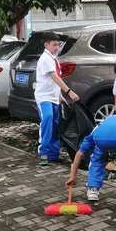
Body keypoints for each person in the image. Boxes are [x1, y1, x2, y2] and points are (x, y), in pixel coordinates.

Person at [34, 32, 79, 166]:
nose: (56, 48)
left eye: (58, 45)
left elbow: (53, 82)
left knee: (55, 125)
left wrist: (60, 96)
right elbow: (55, 77)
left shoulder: (53, 58)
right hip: (44, 97)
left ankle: (53, 155)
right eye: (54, 45)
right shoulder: (45, 59)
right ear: (46, 44)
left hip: (53, 97)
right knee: (47, 121)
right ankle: (43, 153)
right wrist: (69, 92)